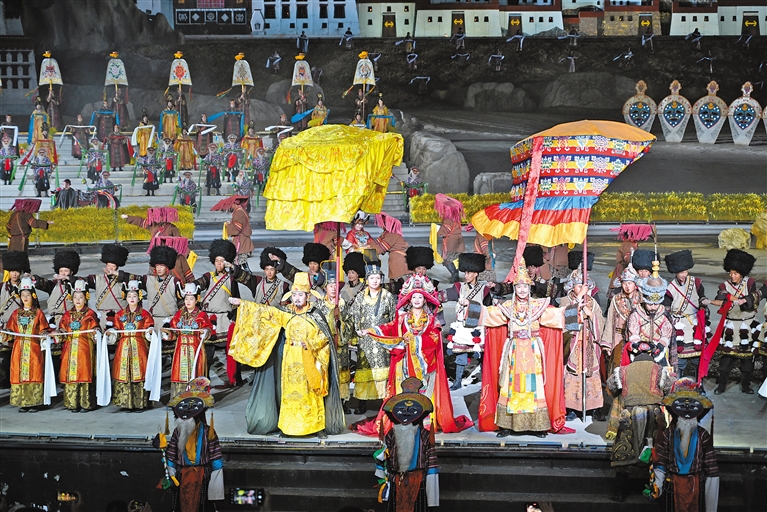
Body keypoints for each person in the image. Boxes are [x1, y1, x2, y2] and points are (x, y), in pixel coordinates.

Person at [475, 260, 588, 438]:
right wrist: (469, 308)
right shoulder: (507, 307)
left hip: (532, 351)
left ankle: (537, 425)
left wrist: (577, 305)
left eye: (525, 287)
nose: (522, 290)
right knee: (510, 385)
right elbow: (489, 315)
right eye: (519, 286)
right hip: (513, 351)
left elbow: (556, 316)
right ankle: (507, 425)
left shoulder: (538, 306)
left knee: (533, 386)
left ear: (529, 288)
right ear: (515, 288)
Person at [229, 273, 343, 438]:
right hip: (289, 359)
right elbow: (265, 311)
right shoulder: (286, 313)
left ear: (308, 296)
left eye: (300, 295)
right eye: (294, 295)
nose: (297, 298)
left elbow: (325, 337)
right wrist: (243, 303)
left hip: (310, 359)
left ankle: (315, 426)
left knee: (311, 392)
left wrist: (310, 344)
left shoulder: (316, 314)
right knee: (290, 393)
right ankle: (288, 427)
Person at [363, 285, 473, 434]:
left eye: (420, 297)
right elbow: (389, 327)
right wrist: (370, 331)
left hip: (425, 363)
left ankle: (425, 422)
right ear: (409, 300)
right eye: (414, 297)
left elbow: (434, 339)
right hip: (405, 361)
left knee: (423, 389)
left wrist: (414, 340)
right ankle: (403, 418)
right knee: (405, 389)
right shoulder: (402, 319)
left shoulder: (431, 320)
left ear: (424, 300)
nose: (416, 300)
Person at [606, 340, 673, 503]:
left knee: (626, 449)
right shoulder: (660, 370)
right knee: (656, 450)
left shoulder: (623, 370)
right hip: (653, 415)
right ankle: (657, 491)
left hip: (630, 414)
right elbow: (671, 390)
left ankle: (620, 491)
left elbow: (611, 387)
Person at [653, 378, 719, 511]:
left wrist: (711, 506)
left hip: (696, 484)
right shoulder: (668, 433)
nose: (687, 413)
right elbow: (661, 461)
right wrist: (658, 485)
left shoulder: (703, 435)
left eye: (692, 409)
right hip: (673, 484)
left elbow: (711, 469)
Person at [377, 377, 439, 511]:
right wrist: (383, 481)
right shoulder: (391, 435)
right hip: (396, 482)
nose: (406, 412)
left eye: (412, 410)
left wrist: (432, 498)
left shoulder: (425, 436)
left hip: (419, 483)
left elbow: (432, 466)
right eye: (401, 409)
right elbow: (382, 458)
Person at [163, 377, 225, 506]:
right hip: (182, 475)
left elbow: (216, 459)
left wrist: (215, 490)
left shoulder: (208, 432)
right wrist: (171, 476)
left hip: (202, 476)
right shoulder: (177, 432)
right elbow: (171, 456)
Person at [344, 262, 396, 413]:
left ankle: (384, 402)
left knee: (382, 370)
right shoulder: (360, 297)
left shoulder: (387, 296)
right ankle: (362, 402)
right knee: (365, 369)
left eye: (377, 278)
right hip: (365, 340)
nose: (375, 281)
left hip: (381, 340)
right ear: (366, 280)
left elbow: (394, 318)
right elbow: (354, 317)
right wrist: (355, 335)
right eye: (372, 278)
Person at [439, 253, 493, 390]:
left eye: (469, 273)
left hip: (477, 328)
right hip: (462, 327)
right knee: (460, 354)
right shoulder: (459, 287)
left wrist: (471, 304)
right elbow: (444, 295)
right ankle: (457, 381)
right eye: (465, 272)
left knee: (481, 355)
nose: (466, 275)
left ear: (476, 273)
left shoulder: (484, 290)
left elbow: (489, 309)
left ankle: (486, 380)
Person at [559, 267, 606, 422]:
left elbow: (601, 321)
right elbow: (564, 320)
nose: (582, 289)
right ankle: (572, 408)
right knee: (573, 375)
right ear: (572, 286)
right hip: (574, 344)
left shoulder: (592, 302)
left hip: (589, 344)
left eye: (584, 287)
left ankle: (593, 407)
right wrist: (577, 302)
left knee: (591, 375)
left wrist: (591, 315)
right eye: (579, 286)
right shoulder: (566, 301)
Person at [601, 264, 642, 440]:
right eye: (624, 282)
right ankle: (609, 411)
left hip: (636, 342)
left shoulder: (642, 299)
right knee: (616, 377)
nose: (627, 286)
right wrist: (607, 343)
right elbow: (610, 320)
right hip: (618, 340)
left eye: (630, 283)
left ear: (635, 284)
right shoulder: (616, 299)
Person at [710, 249, 758, 395]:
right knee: (726, 360)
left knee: (747, 360)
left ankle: (745, 385)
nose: (732, 276)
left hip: (746, 325)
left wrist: (739, 299)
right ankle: (721, 385)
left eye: (735, 273)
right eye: (730, 273)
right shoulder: (724, 285)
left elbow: (751, 302)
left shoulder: (750, 283)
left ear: (741, 273)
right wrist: (739, 299)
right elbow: (721, 296)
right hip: (731, 326)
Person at [2, 277, 51, 412]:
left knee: (34, 372)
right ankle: (23, 402)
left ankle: (35, 402)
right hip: (19, 349)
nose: (25, 297)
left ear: (33, 296)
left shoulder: (38, 313)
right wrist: (5, 333)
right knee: (19, 373)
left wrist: (44, 334)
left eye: (27, 295)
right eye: (23, 295)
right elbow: (10, 331)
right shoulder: (16, 313)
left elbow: (44, 329)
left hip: (34, 349)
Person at [105, 280, 154, 411]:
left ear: (139, 297)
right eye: (129, 296)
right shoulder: (120, 314)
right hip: (124, 346)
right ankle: (125, 403)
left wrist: (150, 331)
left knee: (139, 373)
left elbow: (149, 327)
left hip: (139, 346)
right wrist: (111, 332)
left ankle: (139, 403)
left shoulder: (145, 314)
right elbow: (116, 329)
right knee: (124, 373)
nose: (132, 298)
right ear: (125, 298)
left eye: (134, 296)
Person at [55, 280, 100, 412]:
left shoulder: (90, 314)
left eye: (81, 297)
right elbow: (62, 329)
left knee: (84, 373)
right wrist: (58, 333)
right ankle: (72, 404)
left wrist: (95, 333)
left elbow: (96, 328)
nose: (78, 300)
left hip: (84, 348)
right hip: (70, 348)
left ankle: (86, 403)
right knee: (71, 374)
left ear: (86, 298)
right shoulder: (67, 314)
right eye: (75, 297)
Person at [664, 250, 709, 380]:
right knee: (680, 360)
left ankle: (699, 383)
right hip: (679, 324)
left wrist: (703, 304)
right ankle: (678, 383)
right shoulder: (670, 288)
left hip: (694, 323)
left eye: (685, 272)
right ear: (676, 272)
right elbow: (667, 307)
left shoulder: (696, 283)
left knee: (697, 359)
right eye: (681, 272)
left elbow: (702, 297)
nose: (684, 275)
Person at [164, 284, 213, 402]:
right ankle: (179, 399)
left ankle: (196, 399)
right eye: (186, 299)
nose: (188, 301)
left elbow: (208, 330)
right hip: (181, 349)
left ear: (196, 300)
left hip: (196, 349)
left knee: (196, 372)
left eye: (191, 299)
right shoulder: (179, 315)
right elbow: (173, 332)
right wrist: (167, 333)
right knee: (180, 373)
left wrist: (204, 332)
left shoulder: (201, 315)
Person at [193, 239, 240, 357]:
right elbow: (199, 284)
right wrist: (192, 286)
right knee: (207, 353)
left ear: (227, 262)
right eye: (217, 261)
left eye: (222, 261)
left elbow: (236, 298)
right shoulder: (208, 276)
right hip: (208, 318)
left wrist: (235, 317)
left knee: (228, 352)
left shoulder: (231, 279)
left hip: (224, 319)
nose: (219, 264)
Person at [627, 262, 676, 373]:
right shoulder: (636, 314)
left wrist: (660, 346)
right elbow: (633, 333)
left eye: (656, 304)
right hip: (639, 354)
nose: (653, 307)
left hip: (660, 354)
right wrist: (640, 347)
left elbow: (667, 334)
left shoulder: (664, 315)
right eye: (650, 304)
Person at [85, 243, 130, 330]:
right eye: (108, 266)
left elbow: (136, 278)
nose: (110, 268)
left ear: (117, 268)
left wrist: (117, 274)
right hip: (102, 316)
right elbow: (81, 280)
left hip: (120, 315)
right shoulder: (97, 278)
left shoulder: (124, 279)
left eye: (113, 266)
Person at [34, 250, 81, 328]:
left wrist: (69, 278)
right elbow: (43, 283)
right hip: (55, 320)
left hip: (71, 319)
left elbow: (81, 282)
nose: (63, 273)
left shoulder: (77, 284)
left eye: (66, 271)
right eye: (61, 271)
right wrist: (34, 278)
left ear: (71, 272)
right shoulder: (54, 284)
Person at [371, 213, 410, 282]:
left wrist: (364, 249)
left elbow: (380, 249)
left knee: (400, 282)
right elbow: (376, 243)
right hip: (395, 260)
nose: (382, 225)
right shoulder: (386, 234)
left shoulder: (392, 235)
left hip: (399, 262)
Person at [435, 194, 465, 283]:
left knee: (447, 260)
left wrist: (437, 232)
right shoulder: (456, 219)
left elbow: (445, 230)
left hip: (451, 242)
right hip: (458, 240)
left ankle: (454, 274)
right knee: (453, 259)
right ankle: (456, 275)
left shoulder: (448, 220)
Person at [225, 196, 255, 270]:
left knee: (237, 261)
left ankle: (239, 274)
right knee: (242, 262)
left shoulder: (238, 213)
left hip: (240, 241)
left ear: (234, 204)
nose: (230, 206)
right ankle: (244, 273)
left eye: (231, 204)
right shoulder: (242, 211)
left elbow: (237, 228)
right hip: (243, 239)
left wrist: (228, 225)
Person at [0, 251, 29, 326]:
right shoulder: (1, 286)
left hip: (20, 326)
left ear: (21, 272)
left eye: (17, 271)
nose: (14, 274)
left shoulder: (27, 287)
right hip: (3, 326)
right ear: (9, 272)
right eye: (12, 271)